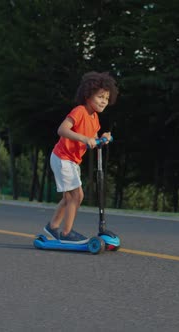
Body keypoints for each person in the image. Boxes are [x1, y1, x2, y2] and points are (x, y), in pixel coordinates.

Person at [43, 71, 118, 244]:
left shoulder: (95, 119)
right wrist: (84, 139)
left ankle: (52, 228)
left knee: (69, 197)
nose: (103, 101)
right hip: (62, 157)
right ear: (88, 94)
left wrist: (104, 138)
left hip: (71, 160)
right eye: (100, 97)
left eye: (106, 98)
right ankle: (66, 233)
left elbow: (94, 140)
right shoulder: (79, 111)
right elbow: (62, 130)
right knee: (77, 196)